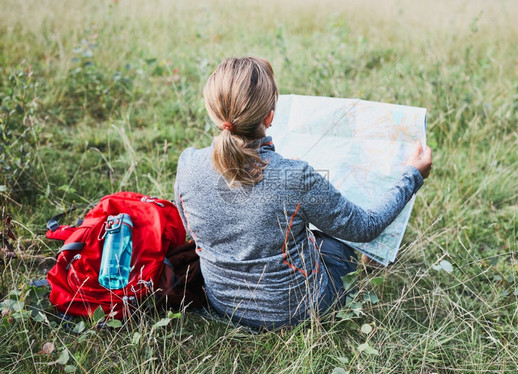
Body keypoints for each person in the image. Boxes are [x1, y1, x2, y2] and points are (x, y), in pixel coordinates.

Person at [174, 57, 432, 331]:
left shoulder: (188, 164)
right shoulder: (296, 177)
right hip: (298, 310)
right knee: (337, 244)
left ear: (212, 110)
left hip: (222, 304)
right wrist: (412, 175)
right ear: (270, 117)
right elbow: (365, 228)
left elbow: (194, 230)